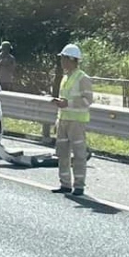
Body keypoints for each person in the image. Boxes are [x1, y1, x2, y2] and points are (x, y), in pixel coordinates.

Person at [51, 44, 94, 196]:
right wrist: (58, 118)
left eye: (63, 59)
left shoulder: (83, 78)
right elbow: (65, 100)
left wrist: (68, 103)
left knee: (79, 154)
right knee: (62, 154)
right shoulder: (65, 77)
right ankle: (65, 184)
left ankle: (79, 186)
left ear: (71, 59)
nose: (61, 62)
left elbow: (88, 100)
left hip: (77, 122)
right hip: (63, 120)